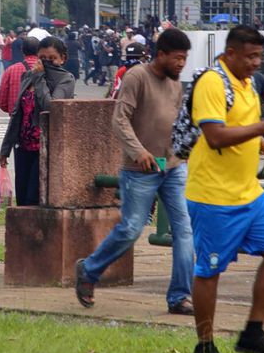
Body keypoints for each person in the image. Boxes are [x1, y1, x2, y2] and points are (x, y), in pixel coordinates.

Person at [185, 25, 264, 353]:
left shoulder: (247, 85)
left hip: (250, 194)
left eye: (259, 56)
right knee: (210, 270)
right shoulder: (212, 82)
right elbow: (216, 136)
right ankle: (204, 344)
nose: (255, 63)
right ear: (230, 53)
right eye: (250, 56)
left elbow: (241, 128)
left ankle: (253, 332)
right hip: (213, 196)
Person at [76, 28, 194, 313]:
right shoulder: (137, 77)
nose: (181, 64)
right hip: (140, 169)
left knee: (185, 230)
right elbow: (120, 119)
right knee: (131, 228)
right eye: (177, 58)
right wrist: (138, 150)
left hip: (173, 168)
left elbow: (178, 124)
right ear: (162, 54)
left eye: (185, 59)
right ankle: (89, 271)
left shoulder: (177, 85)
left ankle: (179, 296)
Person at [0, 36, 76, 204]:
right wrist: (6, 148)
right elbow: (17, 113)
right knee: (22, 197)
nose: (47, 62)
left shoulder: (65, 79)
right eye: (43, 58)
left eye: (52, 58)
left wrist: (40, 78)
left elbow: (50, 106)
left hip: (45, 147)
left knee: (34, 197)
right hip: (23, 146)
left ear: (62, 59)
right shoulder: (27, 76)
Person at [0, 35, 40, 114]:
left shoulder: (11, 70)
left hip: (16, 119)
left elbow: (2, 102)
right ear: (39, 51)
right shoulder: (46, 69)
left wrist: (13, 110)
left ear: (22, 50)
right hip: (39, 119)